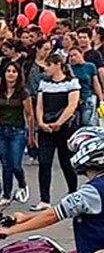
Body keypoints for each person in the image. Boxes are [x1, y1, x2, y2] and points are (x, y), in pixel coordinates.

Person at [33, 53, 80, 212]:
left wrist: (59, 122)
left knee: (66, 163)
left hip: (65, 129)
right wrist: (41, 122)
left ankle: (73, 193)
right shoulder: (44, 83)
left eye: (49, 65)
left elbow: (72, 105)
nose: (46, 68)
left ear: (58, 65)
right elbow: (39, 105)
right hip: (46, 128)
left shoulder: (71, 83)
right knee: (44, 163)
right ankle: (44, 199)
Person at [0, 62, 34, 207]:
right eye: (8, 71)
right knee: (6, 165)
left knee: (15, 164)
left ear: (18, 74)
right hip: (1, 131)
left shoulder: (23, 93)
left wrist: (31, 135)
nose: (10, 74)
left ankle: (22, 183)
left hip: (17, 131)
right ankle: (6, 195)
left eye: (14, 71)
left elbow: (29, 115)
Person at [68, 46, 103, 126]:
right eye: (71, 56)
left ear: (81, 54)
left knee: (87, 123)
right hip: (75, 99)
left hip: (88, 97)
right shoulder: (70, 68)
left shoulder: (90, 66)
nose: (73, 58)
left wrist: (101, 100)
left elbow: (96, 83)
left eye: (75, 55)